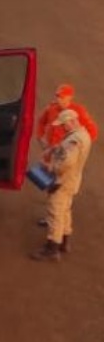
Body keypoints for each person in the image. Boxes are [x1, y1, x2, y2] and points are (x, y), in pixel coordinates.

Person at [31, 109, 92, 261]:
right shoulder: (83, 135)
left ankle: (52, 247)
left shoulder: (73, 141)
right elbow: (68, 153)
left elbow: (66, 163)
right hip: (72, 181)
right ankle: (64, 241)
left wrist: (47, 167)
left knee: (55, 212)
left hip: (62, 181)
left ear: (72, 121)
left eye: (64, 125)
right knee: (65, 211)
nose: (62, 128)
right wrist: (55, 148)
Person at [35, 84, 97, 227]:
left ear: (69, 97)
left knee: (62, 189)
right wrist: (41, 138)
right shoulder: (51, 108)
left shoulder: (78, 112)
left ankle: (58, 219)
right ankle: (50, 216)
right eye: (57, 96)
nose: (58, 99)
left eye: (61, 97)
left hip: (67, 157)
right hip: (52, 153)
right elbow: (41, 121)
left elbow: (92, 132)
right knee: (50, 185)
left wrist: (78, 150)